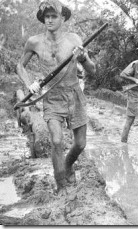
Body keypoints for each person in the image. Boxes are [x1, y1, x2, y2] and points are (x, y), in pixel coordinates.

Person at [16, 0, 96, 192]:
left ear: (63, 18)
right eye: (47, 17)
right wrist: (30, 85)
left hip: (74, 95)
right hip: (52, 97)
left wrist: (83, 58)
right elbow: (19, 66)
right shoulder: (34, 42)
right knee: (57, 141)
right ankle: (61, 185)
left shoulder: (74, 39)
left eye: (54, 16)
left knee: (80, 144)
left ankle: (67, 165)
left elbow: (92, 70)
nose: (50, 20)